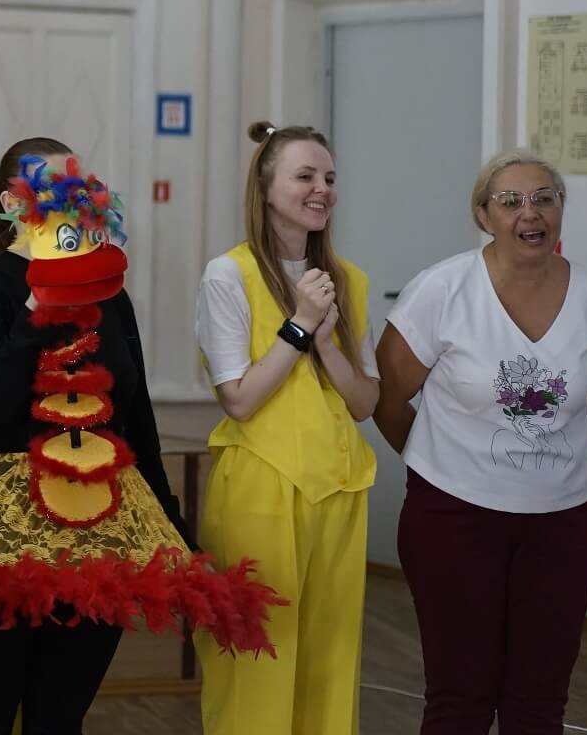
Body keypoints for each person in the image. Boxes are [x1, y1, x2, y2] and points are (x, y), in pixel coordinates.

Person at [0, 137, 265, 735]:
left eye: (77, 184)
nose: (68, 197)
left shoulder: (110, 295)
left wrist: (172, 526)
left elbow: (135, 416)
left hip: (101, 521)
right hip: (0, 529)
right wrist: (36, 306)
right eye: (49, 185)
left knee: (61, 717)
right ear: (9, 203)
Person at [374, 150, 587, 734]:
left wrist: (541, 456)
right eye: (511, 201)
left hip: (565, 522)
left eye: (545, 198)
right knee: (459, 699)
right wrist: (443, 464)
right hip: (453, 518)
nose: (531, 212)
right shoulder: (442, 289)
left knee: (540, 702)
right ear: (483, 215)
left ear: (560, 210)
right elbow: (387, 398)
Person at [195, 121, 380, 734]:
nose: (322, 189)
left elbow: (364, 402)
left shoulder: (349, 279)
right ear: (266, 187)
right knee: (257, 657)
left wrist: (326, 342)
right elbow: (240, 400)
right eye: (305, 176)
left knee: (330, 658)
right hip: (262, 485)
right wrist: (300, 324)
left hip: (339, 486)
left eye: (329, 177)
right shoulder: (229, 274)